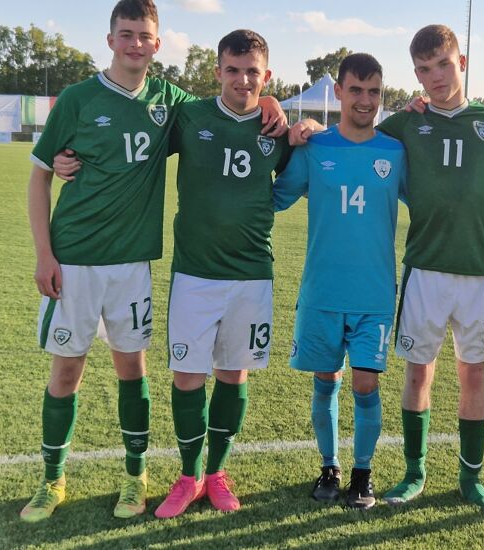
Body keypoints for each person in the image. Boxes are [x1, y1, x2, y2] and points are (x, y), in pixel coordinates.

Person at [22, 1, 284, 522]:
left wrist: (272, 101)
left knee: (132, 369)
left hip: (133, 264)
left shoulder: (172, 102)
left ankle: (135, 476)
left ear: (157, 44)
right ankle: (52, 479)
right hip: (73, 259)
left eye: (144, 35)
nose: (135, 43)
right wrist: (44, 253)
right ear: (111, 39)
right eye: (126, 34)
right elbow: (40, 175)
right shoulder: (77, 99)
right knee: (66, 370)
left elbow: (241, 96)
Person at [153, 29, 292, 519]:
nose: (242, 79)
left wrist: (302, 120)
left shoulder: (279, 130)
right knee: (188, 375)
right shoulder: (190, 115)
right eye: (232, 69)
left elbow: (308, 150)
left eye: (253, 71)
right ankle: (188, 475)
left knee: (233, 373)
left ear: (266, 75)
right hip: (195, 272)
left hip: (252, 274)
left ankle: (216, 473)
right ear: (217, 72)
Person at [377, 24, 484, 513]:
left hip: (479, 271)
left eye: (443, 64)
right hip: (426, 270)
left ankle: (470, 479)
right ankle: (414, 472)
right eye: (423, 69)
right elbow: (354, 134)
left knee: (474, 374)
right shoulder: (406, 123)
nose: (435, 76)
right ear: (415, 74)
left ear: (462, 62)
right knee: (418, 372)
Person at [273, 53, 407, 510]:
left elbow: (434, 200)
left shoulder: (394, 151)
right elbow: (274, 196)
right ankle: (329, 466)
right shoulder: (316, 148)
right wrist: (282, 139)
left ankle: (363, 474)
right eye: (357, 90)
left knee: (366, 383)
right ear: (339, 92)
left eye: (374, 92)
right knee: (326, 378)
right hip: (323, 292)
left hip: (373, 294)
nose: (365, 100)